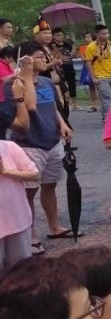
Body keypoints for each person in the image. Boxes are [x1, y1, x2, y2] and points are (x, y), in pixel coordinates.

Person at [1, 44, 73, 251]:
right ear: (26, 60)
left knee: (50, 186)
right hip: (29, 144)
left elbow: (52, 106)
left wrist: (62, 124)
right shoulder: (14, 85)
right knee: (28, 191)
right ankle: (30, 234)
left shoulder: (46, 82)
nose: (44, 60)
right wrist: (25, 74)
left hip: (52, 140)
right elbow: (30, 107)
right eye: (38, 57)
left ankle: (54, 226)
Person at [0, 137, 39, 269]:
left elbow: (34, 174)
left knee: (21, 271)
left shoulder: (9, 147)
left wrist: (6, 172)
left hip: (17, 220)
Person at [83, 25, 111, 121]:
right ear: (97, 34)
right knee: (107, 97)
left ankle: (106, 115)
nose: (106, 35)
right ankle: (110, 118)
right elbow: (88, 62)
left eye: (107, 33)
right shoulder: (91, 47)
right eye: (103, 34)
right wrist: (93, 77)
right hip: (100, 77)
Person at [52, 28, 77, 109]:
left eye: (61, 35)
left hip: (69, 67)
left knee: (72, 85)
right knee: (63, 86)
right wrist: (55, 48)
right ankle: (65, 102)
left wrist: (73, 46)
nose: (60, 37)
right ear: (53, 36)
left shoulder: (67, 44)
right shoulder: (52, 45)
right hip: (60, 69)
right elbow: (59, 56)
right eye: (57, 35)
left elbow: (73, 54)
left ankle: (74, 104)